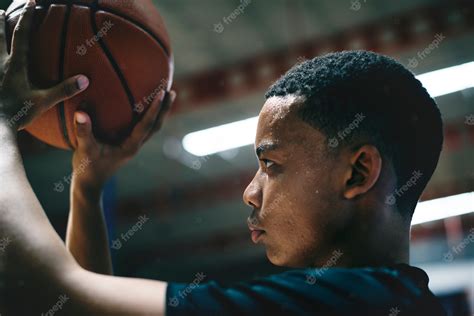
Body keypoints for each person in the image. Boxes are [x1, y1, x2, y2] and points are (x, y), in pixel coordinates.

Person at [0, 1, 447, 315]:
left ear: (358, 171)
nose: (250, 193)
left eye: (270, 165)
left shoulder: (343, 302)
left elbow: (49, 297)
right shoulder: (399, 301)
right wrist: (88, 184)